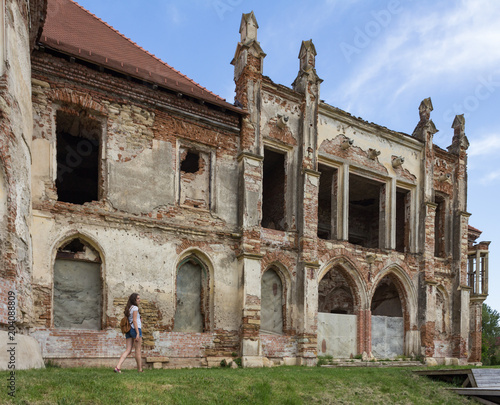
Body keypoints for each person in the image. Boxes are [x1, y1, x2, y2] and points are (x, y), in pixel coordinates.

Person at [114, 293, 143, 373]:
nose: (139, 300)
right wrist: (137, 333)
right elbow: (134, 321)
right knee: (138, 350)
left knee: (128, 350)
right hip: (135, 329)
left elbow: (133, 319)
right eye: (138, 298)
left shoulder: (129, 308)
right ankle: (140, 369)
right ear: (134, 300)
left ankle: (118, 367)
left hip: (129, 330)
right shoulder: (135, 308)